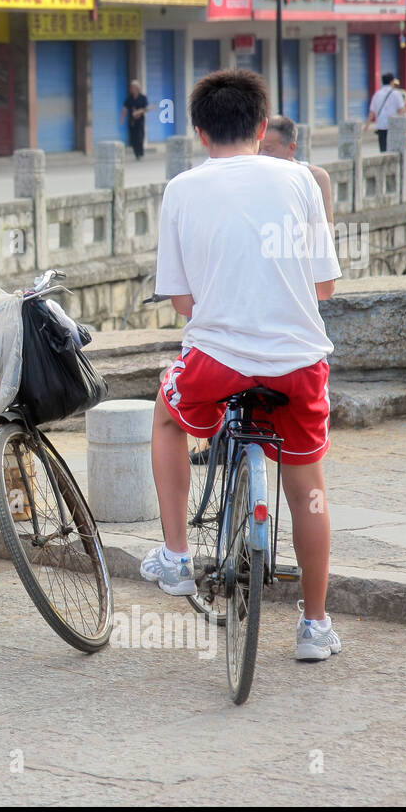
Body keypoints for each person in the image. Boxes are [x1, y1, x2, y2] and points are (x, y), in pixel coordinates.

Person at [143, 69, 344, 662]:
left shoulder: (181, 189)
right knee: (306, 484)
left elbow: (183, 304)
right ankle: (313, 625)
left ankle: (177, 554)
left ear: (199, 133)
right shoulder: (302, 180)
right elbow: (325, 286)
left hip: (218, 360)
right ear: (263, 127)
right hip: (298, 364)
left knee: (166, 420)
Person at [260, 115, 334, 226]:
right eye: (259, 149)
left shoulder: (317, 177)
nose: (261, 155)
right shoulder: (256, 176)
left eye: (268, 149)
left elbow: (326, 229)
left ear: (291, 148)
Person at [365, 72, 406, 153]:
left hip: (381, 126)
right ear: (392, 82)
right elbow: (401, 110)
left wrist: (367, 126)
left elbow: (372, 112)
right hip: (393, 126)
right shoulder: (396, 93)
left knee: (383, 150)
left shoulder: (377, 94)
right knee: (394, 150)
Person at [120, 80, 151, 161]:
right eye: (131, 87)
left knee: (140, 137)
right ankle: (136, 153)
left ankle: (140, 152)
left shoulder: (142, 98)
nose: (131, 89)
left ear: (137, 88)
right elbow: (125, 108)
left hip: (140, 121)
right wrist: (122, 119)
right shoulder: (129, 98)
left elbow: (146, 108)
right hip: (132, 121)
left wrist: (139, 112)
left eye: (132, 87)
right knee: (133, 138)